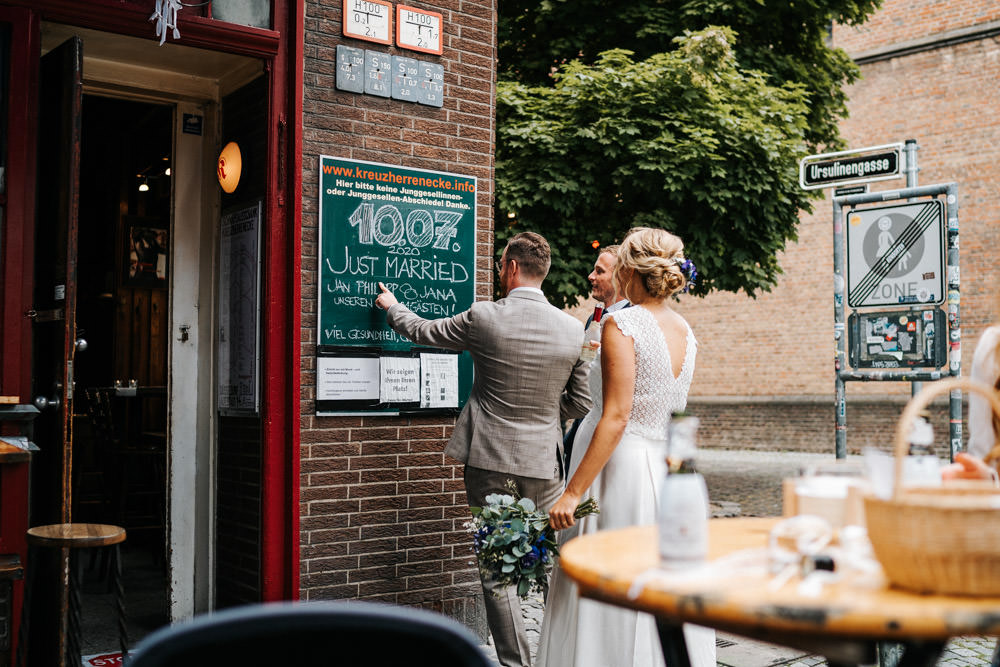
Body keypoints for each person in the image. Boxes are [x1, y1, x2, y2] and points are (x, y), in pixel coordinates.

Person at [374, 231, 591, 667]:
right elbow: (582, 402)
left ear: (511, 267)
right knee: (547, 565)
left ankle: (517, 664)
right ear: (543, 272)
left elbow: (422, 331)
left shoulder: (484, 317)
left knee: (498, 573)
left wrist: (391, 305)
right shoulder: (573, 329)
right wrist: (548, 413)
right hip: (544, 465)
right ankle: (565, 655)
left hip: (488, 460)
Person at [537, 227, 714, 667]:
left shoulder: (624, 322)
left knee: (607, 584)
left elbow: (616, 417)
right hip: (667, 470)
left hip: (619, 471)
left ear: (631, 270)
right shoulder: (685, 330)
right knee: (656, 582)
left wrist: (574, 492)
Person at [563, 244, 630, 468]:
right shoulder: (595, 317)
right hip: (585, 419)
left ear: (620, 276)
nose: (591, 276)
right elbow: (585, 363)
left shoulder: (633, 320)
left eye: (600, 271)